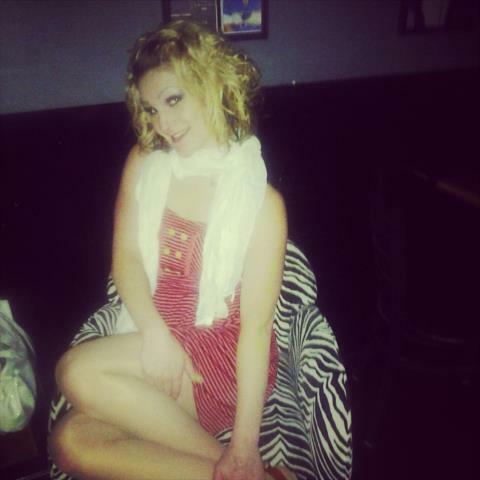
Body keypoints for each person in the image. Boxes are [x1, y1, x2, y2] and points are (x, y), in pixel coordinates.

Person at [48, 20, 293, 480]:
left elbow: (256, 330)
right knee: (69, 441)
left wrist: (244, 443)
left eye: (173, 99)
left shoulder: (262, 203)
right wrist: (156, 334)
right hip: (156, 338)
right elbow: (126, 261)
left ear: (212, 84)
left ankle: (243, 466)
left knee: (75, 372)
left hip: (217, 359)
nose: (162, 123)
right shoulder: (145, 163)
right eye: (151, 109)